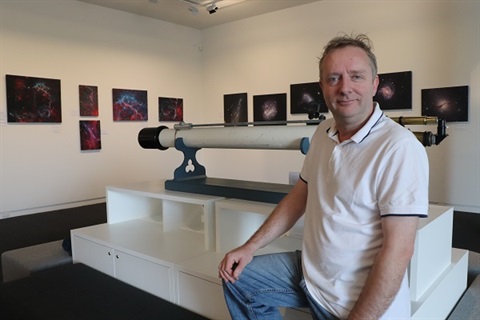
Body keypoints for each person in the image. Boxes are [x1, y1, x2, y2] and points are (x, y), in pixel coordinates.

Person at [218, 33, 429, 320]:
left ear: (375, 83)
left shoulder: (399, 148)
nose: (345, 88)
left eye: (356, 76)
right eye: (334, 78)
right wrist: (249, 247)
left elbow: (398, 252)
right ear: (322, 87)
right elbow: (299, 196)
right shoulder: (323, 133)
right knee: (238, 278)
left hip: (355, 304)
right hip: (312, 275)